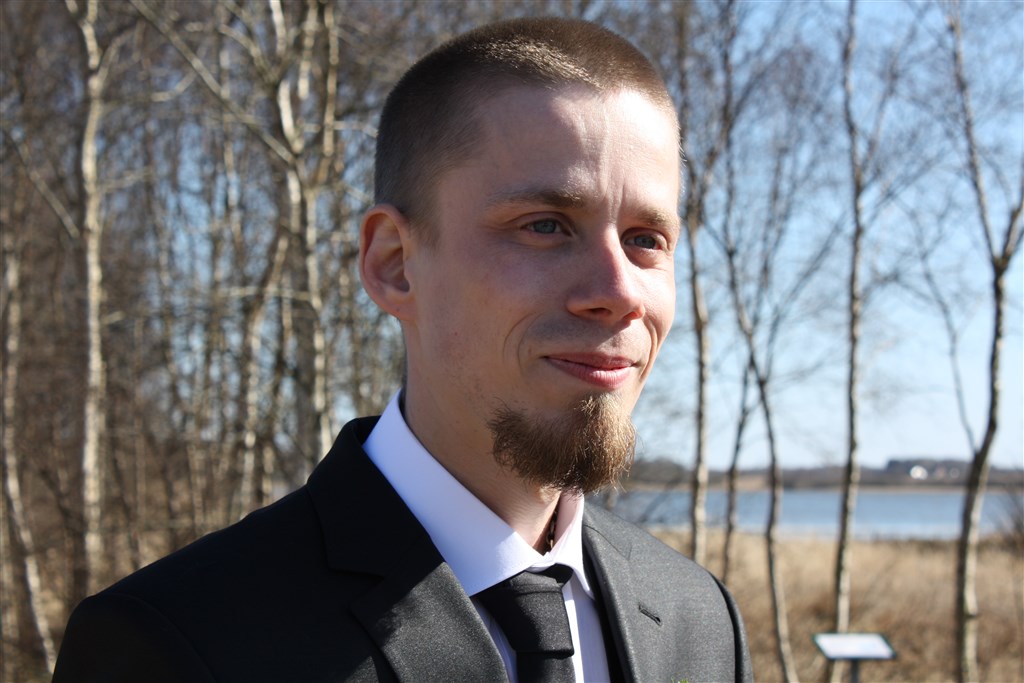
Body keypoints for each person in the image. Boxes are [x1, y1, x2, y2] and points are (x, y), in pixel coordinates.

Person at [53, 17, 752, 683]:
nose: (619, 292)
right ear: (394, 264)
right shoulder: (181, 641)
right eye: (545, 225)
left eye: (646, 240)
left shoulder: (699, 618)